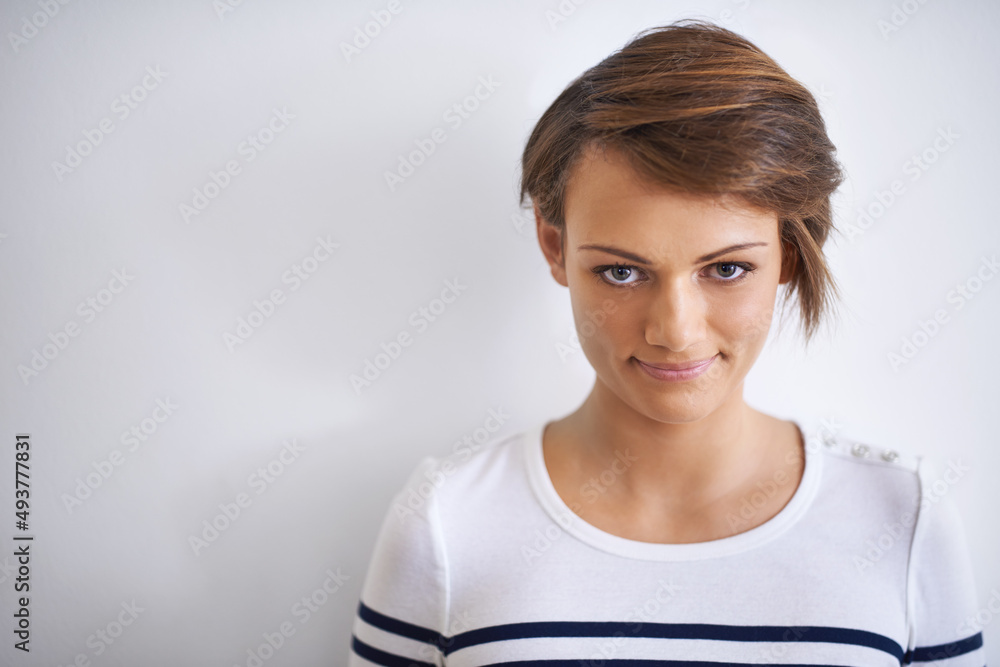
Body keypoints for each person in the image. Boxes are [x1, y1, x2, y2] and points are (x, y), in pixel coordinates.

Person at [347, 18, 985, 666]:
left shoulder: (903, 518)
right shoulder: (448, 523)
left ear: (791, 252)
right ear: (554, 245)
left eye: (727, 268)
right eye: (622, 271)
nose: (675, 331)